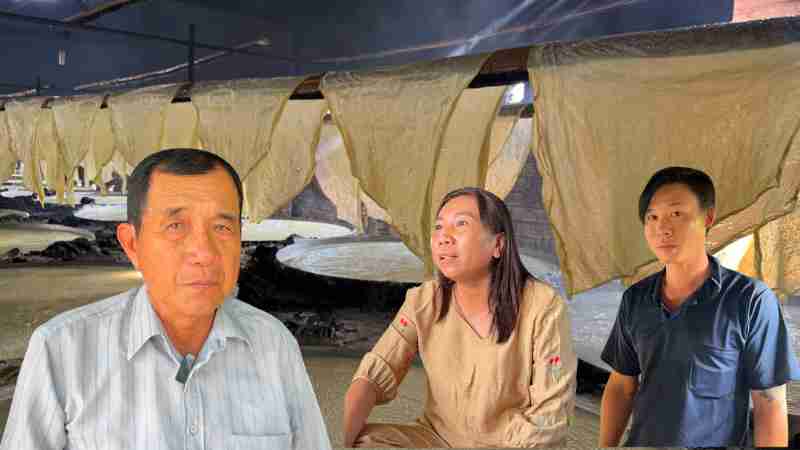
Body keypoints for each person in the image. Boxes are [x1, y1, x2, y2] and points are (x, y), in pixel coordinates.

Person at [0, 149, 332, 450]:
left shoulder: (274, 346)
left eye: (221, 227)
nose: (203, 253)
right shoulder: (62, 350)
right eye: (176, 226)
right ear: (132, 244)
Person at [343, 187, 577, 448]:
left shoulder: (543, 307)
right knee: (367, 442)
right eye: (439, 227)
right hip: (436, 440)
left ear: (498, 245)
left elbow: (550, 415)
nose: (444, 237)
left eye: (461, 224)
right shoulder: (424, 300)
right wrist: (345, 443)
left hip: (510, 445)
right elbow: (373, 374)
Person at [599, 166, 800, 447]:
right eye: (652, 217)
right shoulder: (636, 299)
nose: (662, 228)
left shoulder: (750, 300)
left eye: (676, 214)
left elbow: (769, 402)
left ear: (708, 217)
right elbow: (622, 386)